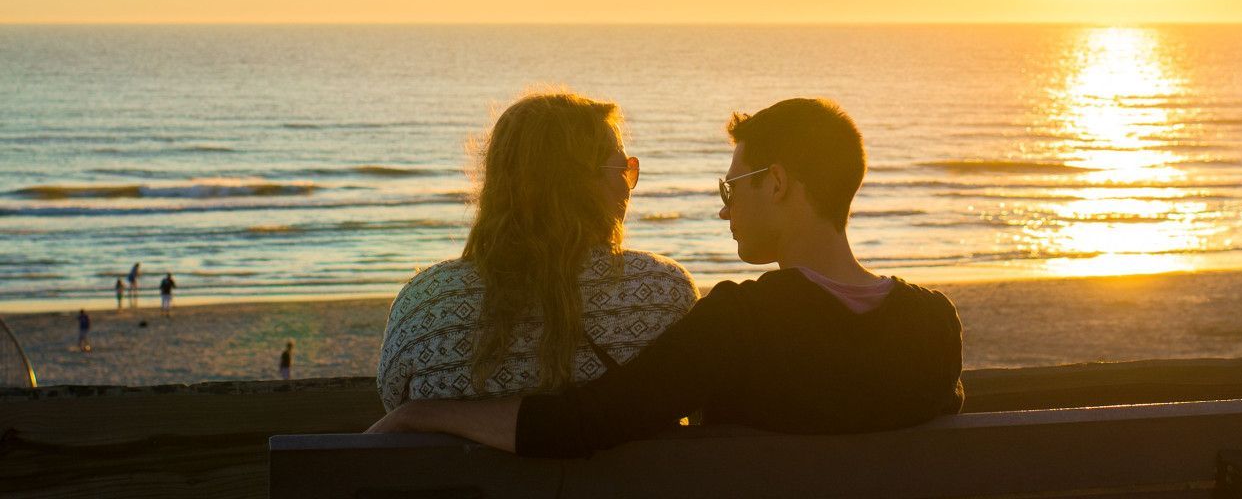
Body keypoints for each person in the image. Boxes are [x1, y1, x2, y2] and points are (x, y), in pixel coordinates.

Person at [369, 97, 964, 457]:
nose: (724, 207)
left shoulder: (738, 324)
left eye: (732, 186)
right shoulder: (934, 324)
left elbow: (581, 425)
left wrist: (424, 413)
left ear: (776, 184)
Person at [375, 91, 697, 412]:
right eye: (623, 169)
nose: (629, 183)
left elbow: (393, 404)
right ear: (585, 183)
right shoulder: (666, 293)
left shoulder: (425, 303)